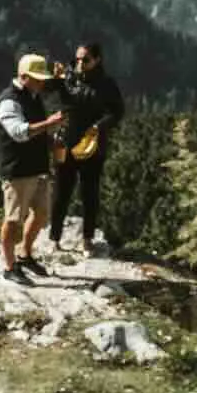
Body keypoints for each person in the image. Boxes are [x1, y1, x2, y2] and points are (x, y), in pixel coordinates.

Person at [50, 41, 126, 256]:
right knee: (60, 192)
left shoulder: (107, 84)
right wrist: (55, 78)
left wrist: (99, 126)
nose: (80, 63)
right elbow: (47, 89)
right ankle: (54, 238)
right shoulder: (68, 77)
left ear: (97, 60)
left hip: (92, 144)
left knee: (89, 193)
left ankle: (87, 239)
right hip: (64, 140)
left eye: (86, 59)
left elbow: (118, 112)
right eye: (78, 59)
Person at [0, 53, 64, 286]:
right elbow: (18, 132)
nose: (42, 83)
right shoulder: (8, 101)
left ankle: (25, 254)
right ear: (23, 77)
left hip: (37, 167)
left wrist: (51, 141)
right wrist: (49, 125)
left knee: (42, 213)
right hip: (17, 171)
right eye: (37, 78)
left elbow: (36, 131)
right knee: (13, 220)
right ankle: (9, 266)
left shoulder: (33, 96)